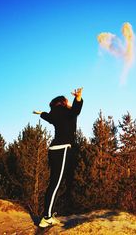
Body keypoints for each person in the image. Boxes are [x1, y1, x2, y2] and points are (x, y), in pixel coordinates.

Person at [33, 87, 83, 228]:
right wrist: (78, 98)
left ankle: (48, 214)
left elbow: (47, 116)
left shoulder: (54, 113)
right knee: (55, 184)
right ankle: (46, 217)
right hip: (62, 149)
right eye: (67, 101)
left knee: (55, 183)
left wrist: (41, 113)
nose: (69, 103)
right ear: (62, 102)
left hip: (55, 149)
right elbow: (76, 111)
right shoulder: (67, 112)